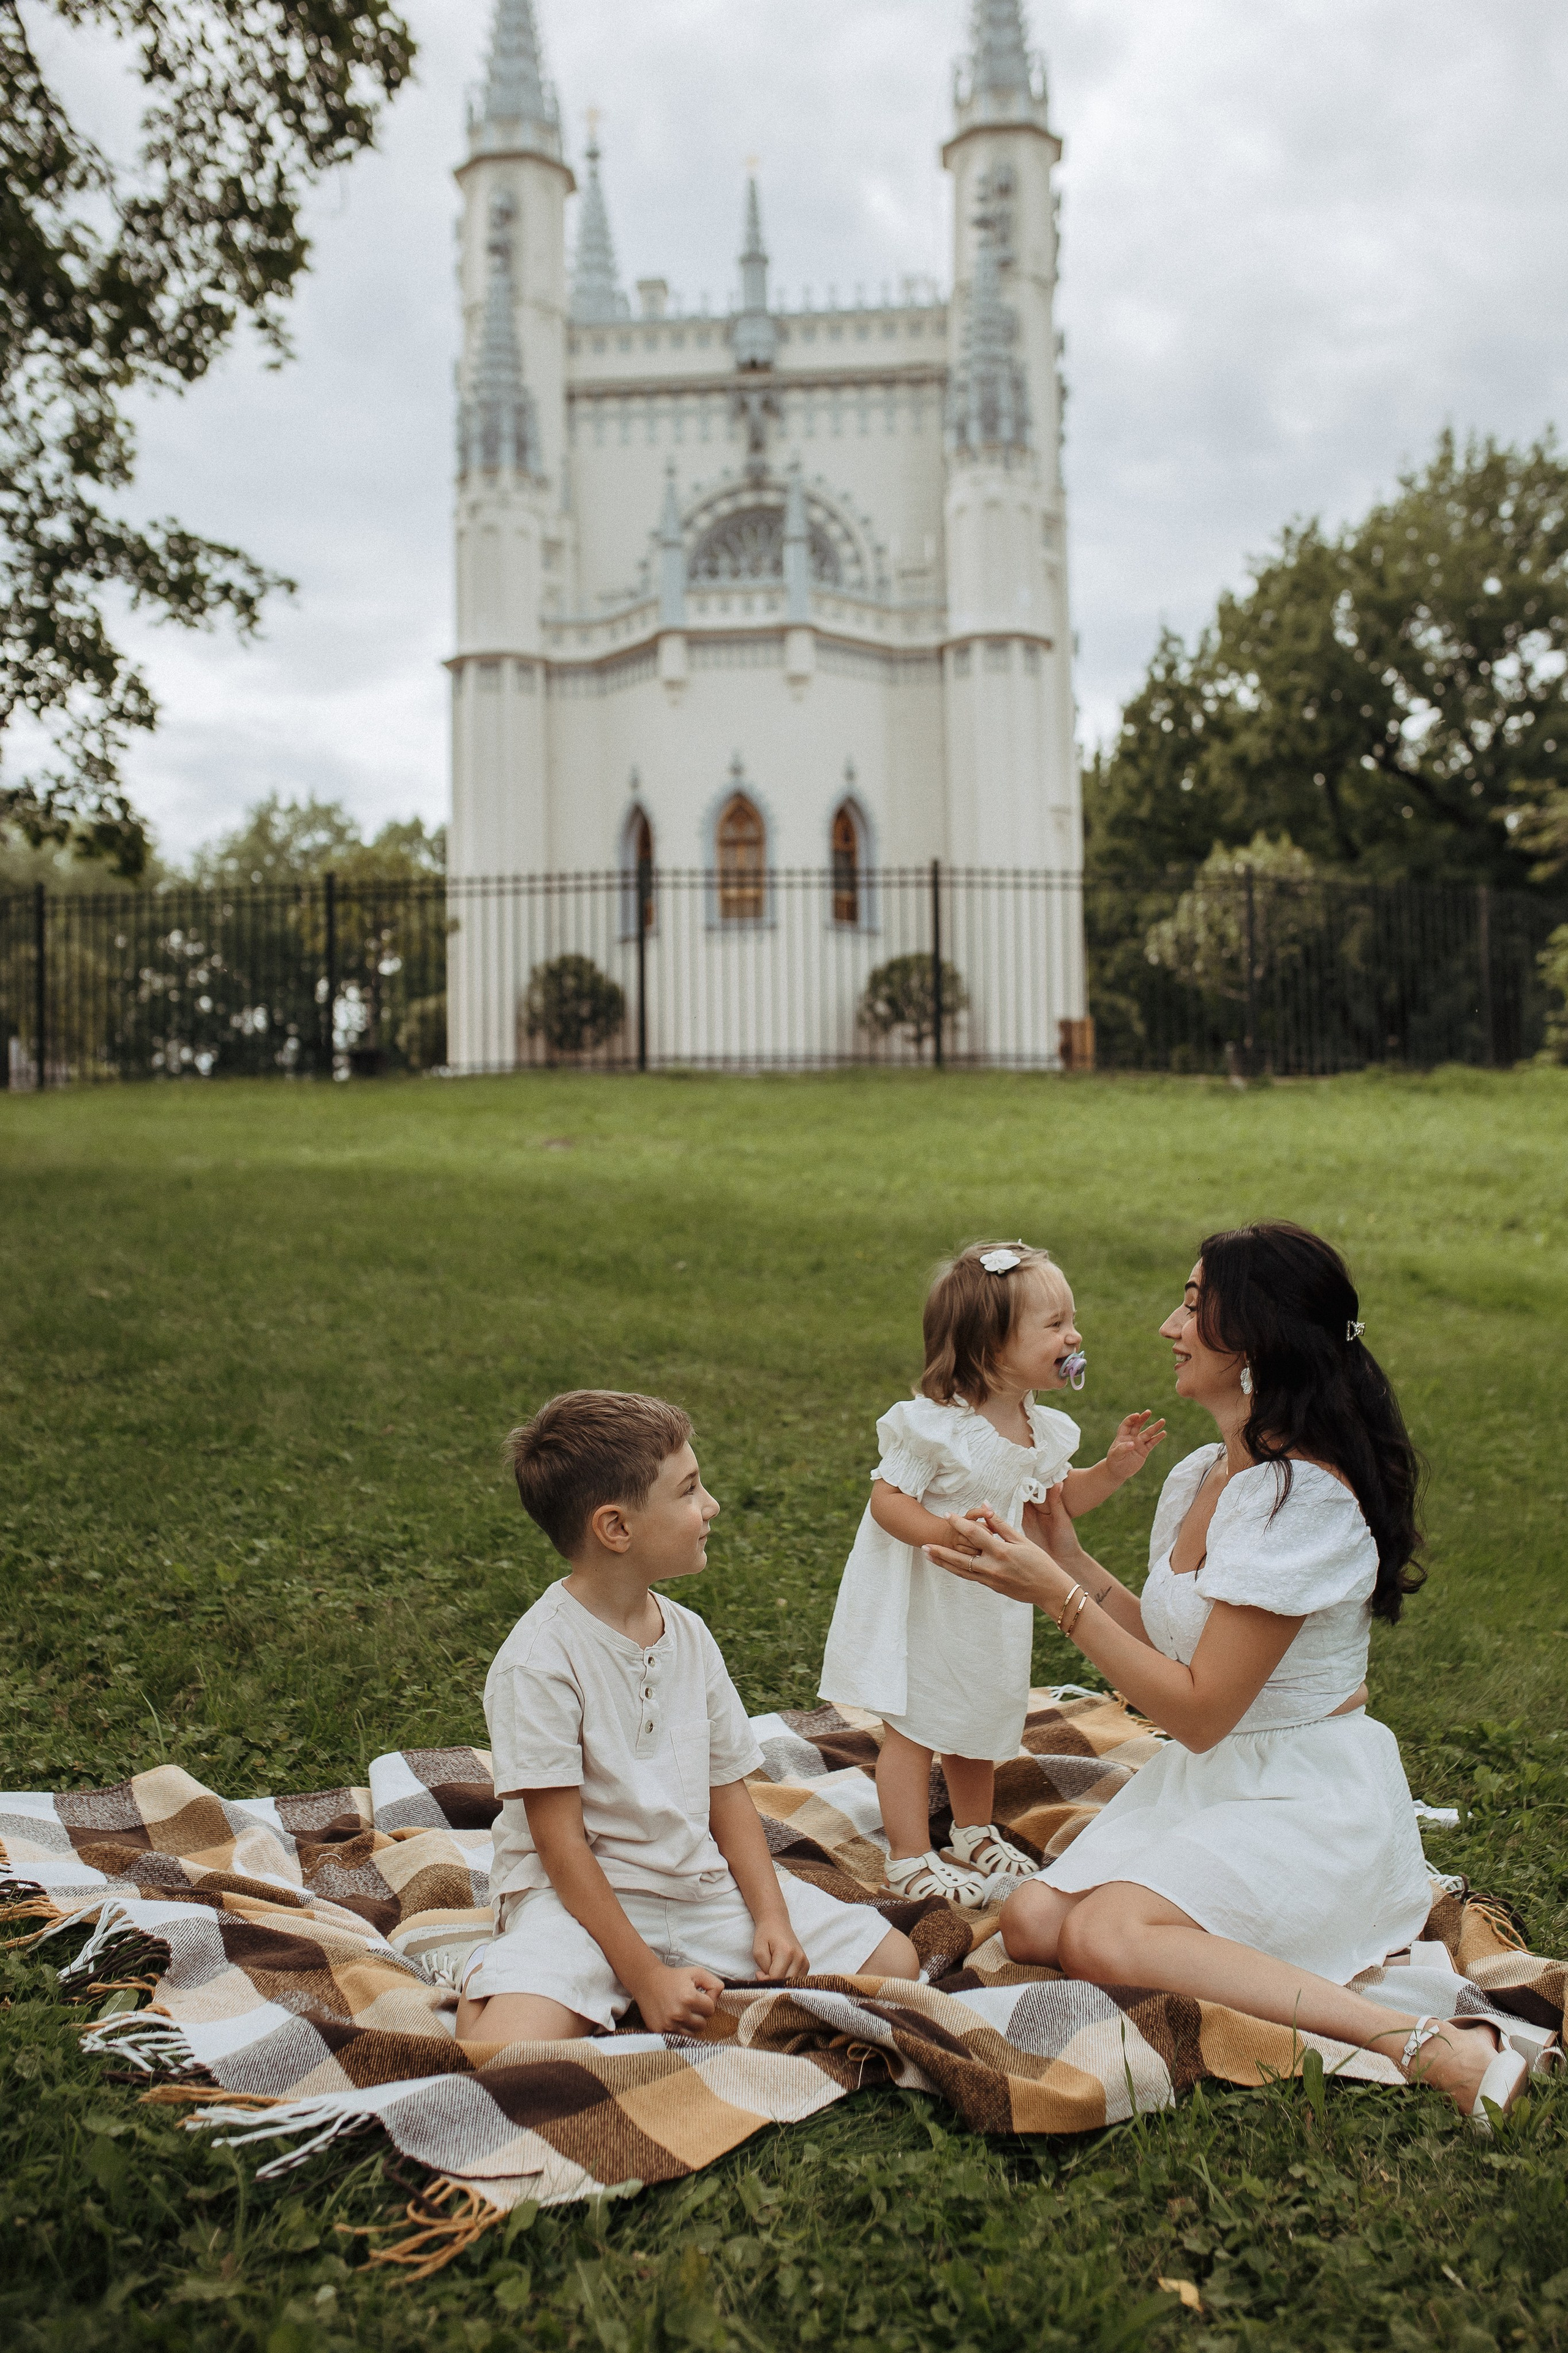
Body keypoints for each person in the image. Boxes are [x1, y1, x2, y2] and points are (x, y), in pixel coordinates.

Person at [921, 1223, 1530, 2126]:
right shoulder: (1209, 1472)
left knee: (1100, 1934)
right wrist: (1070, 1558)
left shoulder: (1305, 1501)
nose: (1170, 1324)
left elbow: (1200, 1710)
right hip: (1215, 1778)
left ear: (1255, 1344)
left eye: (1196, 1307)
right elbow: (1173, 1650)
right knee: (1033, 1924)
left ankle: (1426, 2042)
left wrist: (1056, 1596)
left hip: (1308, 1792)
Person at [456, 1389, 918, 2047]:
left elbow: (726, 1791)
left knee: (896, 1967)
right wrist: (644, 1974)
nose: (711, 1506)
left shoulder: (690, 1635)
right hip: (578, 1900)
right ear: (616, 1528)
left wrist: (772, 1917)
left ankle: (636, 1986)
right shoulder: (537, 1663)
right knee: (505, 2051)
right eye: (690, 1490)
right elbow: (559, 1847)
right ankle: (507, 1975)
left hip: (694, 1885)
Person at [819, 1241, 1166, 1908]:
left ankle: (971, 1831)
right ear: (991, 1345)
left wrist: (1113, 1470)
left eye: (1072, 1319)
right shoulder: (936, 1429)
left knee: (979, 1715)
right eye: (1056, 1323)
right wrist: (946, 1531)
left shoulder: (1041, 1428)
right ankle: (908, 1855)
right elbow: (888, 1501)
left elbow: (1052, 1511)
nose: (1075, 1335)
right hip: (931, 1600)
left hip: (991, 1603)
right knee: (916, 1726)